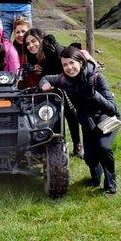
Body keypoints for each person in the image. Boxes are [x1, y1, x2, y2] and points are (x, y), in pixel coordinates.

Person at [39, 46, 120, 194]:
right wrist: (44, 85)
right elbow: (46, 78)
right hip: (87, 122)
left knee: (103, 147)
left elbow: (112, 108)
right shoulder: (63, 80)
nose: (69, 67)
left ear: (81, 62)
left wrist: (94, 95)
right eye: (65, 65)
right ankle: (95, 179)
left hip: (106, 119)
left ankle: (111, 185)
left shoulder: (96, 78)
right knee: (89, 156)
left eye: (72, 63)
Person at [22, 29, 84, 158]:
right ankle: (59, 145)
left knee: (69, 114)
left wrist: (53, 79)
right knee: (56, 116)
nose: (31, 45)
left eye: (34, 41)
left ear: (41, 39)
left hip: (66, 85)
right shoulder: (35, 55)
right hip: (52, 88)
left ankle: (77, 145)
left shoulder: (52, 49)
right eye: (27, 44)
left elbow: (64, 65)